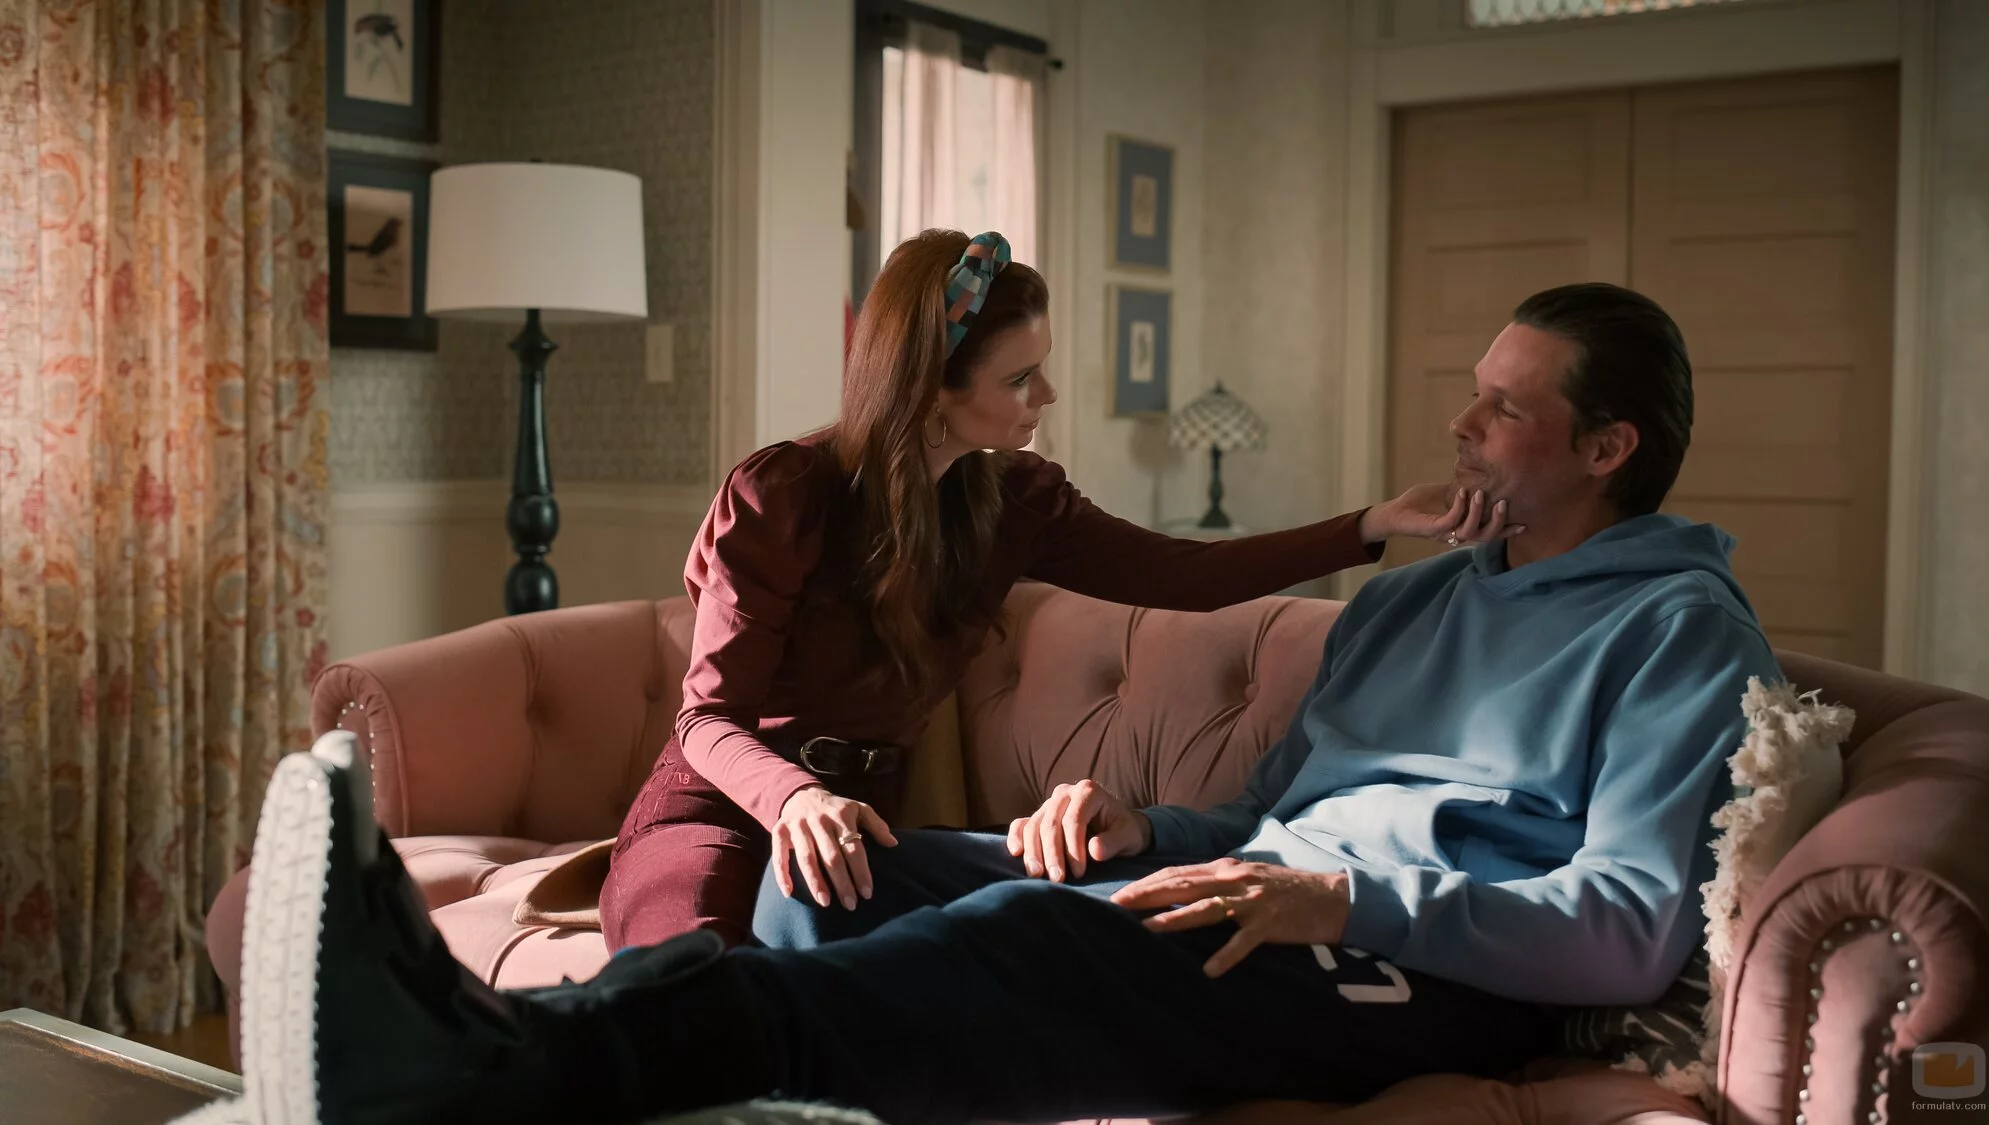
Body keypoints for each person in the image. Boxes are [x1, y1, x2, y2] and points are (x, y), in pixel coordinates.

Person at [192, 282, 1781, 1125]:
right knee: (848, 872)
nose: (1462, 425)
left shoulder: (1676, 632)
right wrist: (1145, 822)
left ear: (1607, 449)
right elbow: (1267, 816)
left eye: (1503, 408)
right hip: (1265, 894)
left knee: (1032, 936)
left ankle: (506, 1063)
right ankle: (649, 1064)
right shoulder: (1422, 600)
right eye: (1475, 394)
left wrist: (1344, 898)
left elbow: (1628, 926)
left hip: (1418, 966)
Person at [600, 228, 1517, 950]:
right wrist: (797, 799)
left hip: (869, 828)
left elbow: (1184, 575)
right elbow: (706, 719)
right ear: (930, 387)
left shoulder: (1017, 500)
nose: (1046, 392)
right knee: (695, 982)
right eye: (1019, 376)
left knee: (931, 972)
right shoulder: (784, 493)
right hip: (724, 808)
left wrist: (1371, 522)